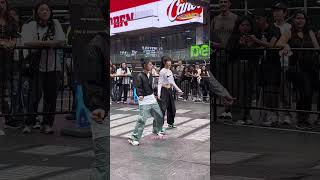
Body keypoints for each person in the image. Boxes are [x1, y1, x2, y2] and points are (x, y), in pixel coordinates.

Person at [21, 1, 66, 134]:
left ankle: (47, 124)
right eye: (41, 9)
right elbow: (27, 42)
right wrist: (48, 44)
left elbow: (61, 41)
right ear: (36, 12)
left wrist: (39, 44)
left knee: (50, 97)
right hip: (36, 67)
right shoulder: (31, 25)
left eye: (47, 9)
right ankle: (29, 123)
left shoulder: (55, 23)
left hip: (53, 67)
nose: (45, 12)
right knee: (34, 96)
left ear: (50, 12)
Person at [277, 10, 320, 130]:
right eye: (297, 18)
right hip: (297, 67)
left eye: (302, 18)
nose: (300, 20)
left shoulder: (310, 32)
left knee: (309, 94)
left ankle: (305, 118)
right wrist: (286, 45)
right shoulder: (289, 32)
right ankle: (301, 119)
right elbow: (279, 43)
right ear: (293, 20)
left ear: (306, 21)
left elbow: (316, 47)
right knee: (303, 92)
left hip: (311, 67)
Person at [252, 9, 282, 126]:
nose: (257, 21)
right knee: (263, 89)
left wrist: (256, 40)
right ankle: (265, 114)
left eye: (259, 18)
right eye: (255, 19)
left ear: (265, 18)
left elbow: (271, 45)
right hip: (261, 64)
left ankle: (273, 115)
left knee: (272, 89)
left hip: (273, 64)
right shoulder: (257, 31)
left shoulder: (274, 30)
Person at [226, 15, 258, 125]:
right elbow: (229, 50)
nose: (245, 27)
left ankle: (247, 114)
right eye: (243, 25)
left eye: (248, 25)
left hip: (249, 65)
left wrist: (251, 45)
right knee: (237, 91)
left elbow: (258, 53)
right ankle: (237, 116)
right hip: (236, 65)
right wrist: (239, 44)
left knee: (248, 91)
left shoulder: (254, 37)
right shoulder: (234, 37)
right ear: (238, 26)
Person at [128, 58, 165, 146]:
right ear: (145, 65)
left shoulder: (150, 75)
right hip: (144, 100)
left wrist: (155, 94)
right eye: (150, 64)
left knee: (159, 115)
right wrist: (140, 94)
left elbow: (151, 87)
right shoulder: (140, 75)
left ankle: (156, 130)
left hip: (151, 98)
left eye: (151, 65)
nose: (152, 66)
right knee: (142, 120)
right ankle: (134, 138)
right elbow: (138, 87)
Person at [212, 0, 238, 120]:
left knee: (233, 81)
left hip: (232, 55)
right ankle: (225, 109)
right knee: (221, 82)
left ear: (229, 4)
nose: (222, 4)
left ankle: (231, 109)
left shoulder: (236, 18)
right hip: (218, 55)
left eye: (225, 1)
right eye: (220, 1)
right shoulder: (215, 20)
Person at [272, 1, 293, 125]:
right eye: (275, 10)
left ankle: (287, 115)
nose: (277, 13)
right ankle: (273, 114)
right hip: (272, 63)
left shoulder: (289, 27)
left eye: (279, 10)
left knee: (286, 91)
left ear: (285, 13)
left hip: (285, 62)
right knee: (272, 90)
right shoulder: (271, 26)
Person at [0, 0, 18, 135]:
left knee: (3, 89)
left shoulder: (11, 19)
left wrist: (11, 43)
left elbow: (14, 36)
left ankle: (7, 117)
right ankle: (7, 117)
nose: (0, 5)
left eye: (2, 2)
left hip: (6, 59)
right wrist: (2, 42)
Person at [158, 56, 183, 129]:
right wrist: (159, 94)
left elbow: (172, 82)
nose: (169, 63)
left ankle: (170, 123)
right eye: (168, 62)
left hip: (169, 91)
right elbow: (159, 83)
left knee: (172, 108)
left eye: (170, 61)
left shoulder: (170, 71)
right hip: (163, 91)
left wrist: (179, 90)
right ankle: (159, 126)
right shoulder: (162, 71)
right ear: (164, 63)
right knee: (162, 109)